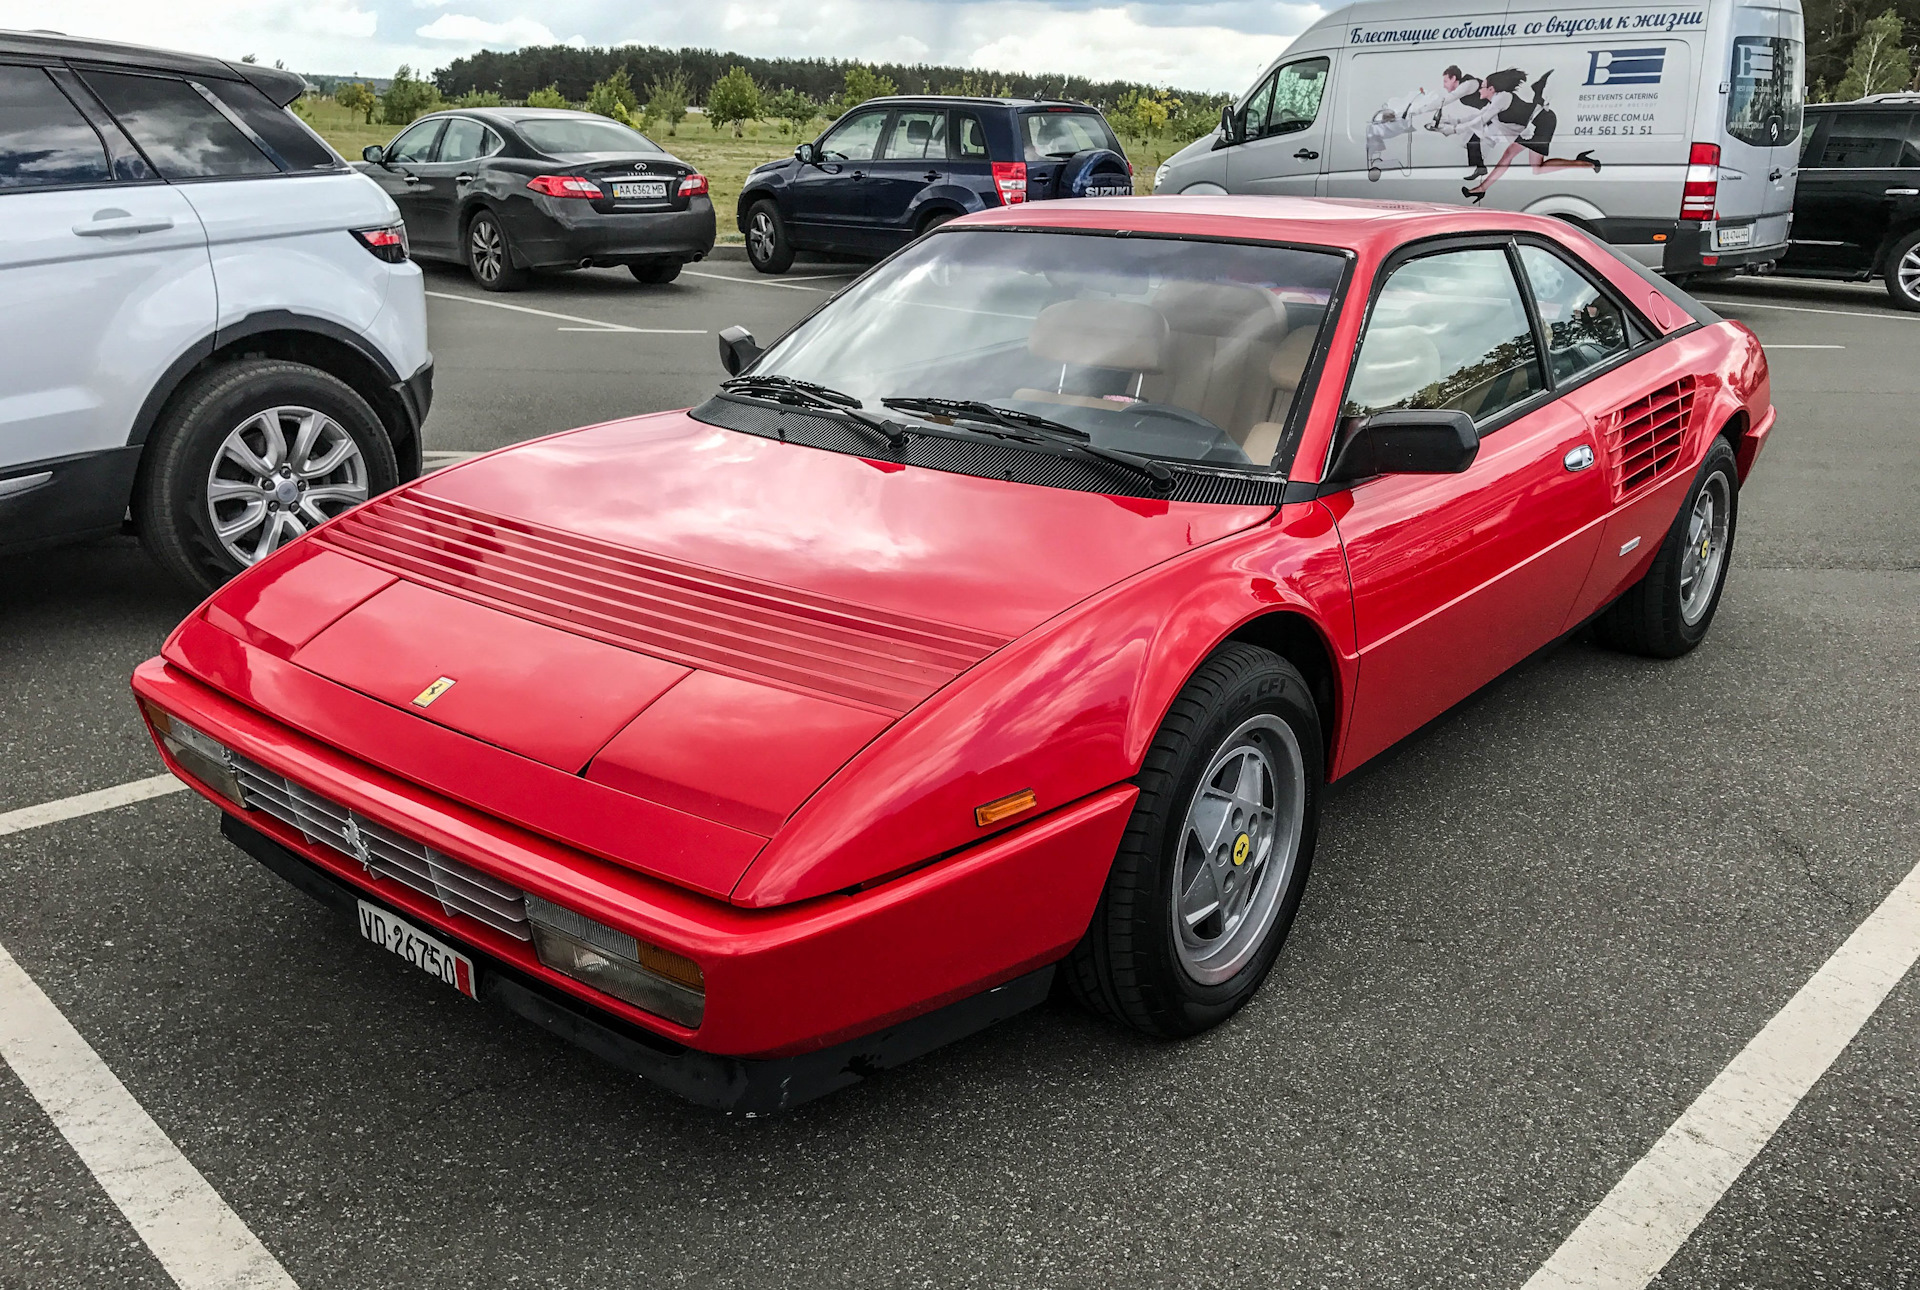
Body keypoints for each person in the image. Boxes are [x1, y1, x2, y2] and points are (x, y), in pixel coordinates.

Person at [1445, 69, 1601, 202]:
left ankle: (1586, 163)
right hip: (1533, 125)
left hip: (1542, 122)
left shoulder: (1502, 98)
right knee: (1510, 156)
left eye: (1483, 87)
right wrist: (1449, 123)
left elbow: (1480, 120)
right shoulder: (1494, 103)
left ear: (1491, 89)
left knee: (1535, 168)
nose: (1479, 89)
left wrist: (1452, 130)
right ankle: (1482, 188)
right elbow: (1475, 118)